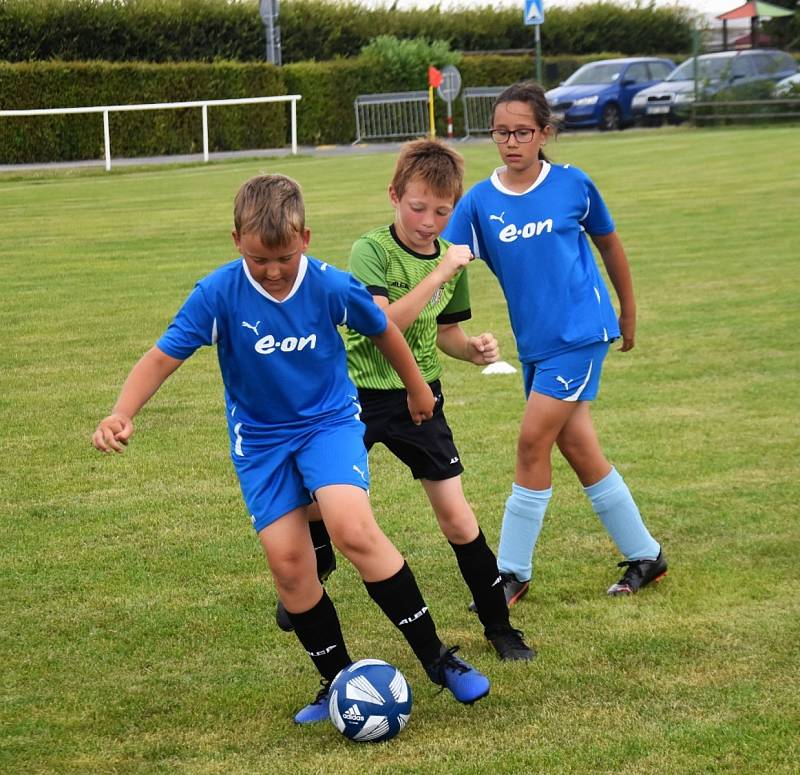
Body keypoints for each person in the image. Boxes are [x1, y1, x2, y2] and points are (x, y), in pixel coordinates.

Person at [91, 173, 491, 725]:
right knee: (289, 565)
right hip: (260, 444)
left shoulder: (330, 284)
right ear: (237, 242)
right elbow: (162, 357)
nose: (273, 270)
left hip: (328, 423)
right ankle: (336, 683)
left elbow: (384, 331)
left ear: (305, 237)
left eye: (282, 256)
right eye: (258, 259)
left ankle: (439, 660)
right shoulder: (217, 294)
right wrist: (122, 412)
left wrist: (417, 388)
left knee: (351, 529)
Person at [276, 140, 533, 661]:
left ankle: (500, 628)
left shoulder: (449, 261)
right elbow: (384, 324)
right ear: (394, 196)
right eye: (418, 208)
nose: (429, 222)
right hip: (352, 397)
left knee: (458, 519)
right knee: (308, 504)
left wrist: (473, 350)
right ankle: (317, 562)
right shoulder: (371, 249)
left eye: (442, 212)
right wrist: (439, 273)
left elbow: (443, 334)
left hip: (420, 398)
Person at [442, 82, 668, 603]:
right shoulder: (479, 201)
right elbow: (447, 258)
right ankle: (647, 555)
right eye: (501, 132)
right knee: (578, 446)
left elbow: (610, 244)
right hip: (536, 345)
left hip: (582, 333)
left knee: (531, 443)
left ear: (545, 133)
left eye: (522, 131)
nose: (510, 142)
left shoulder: (572, 185)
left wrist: (627, 311)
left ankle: (511, 572)